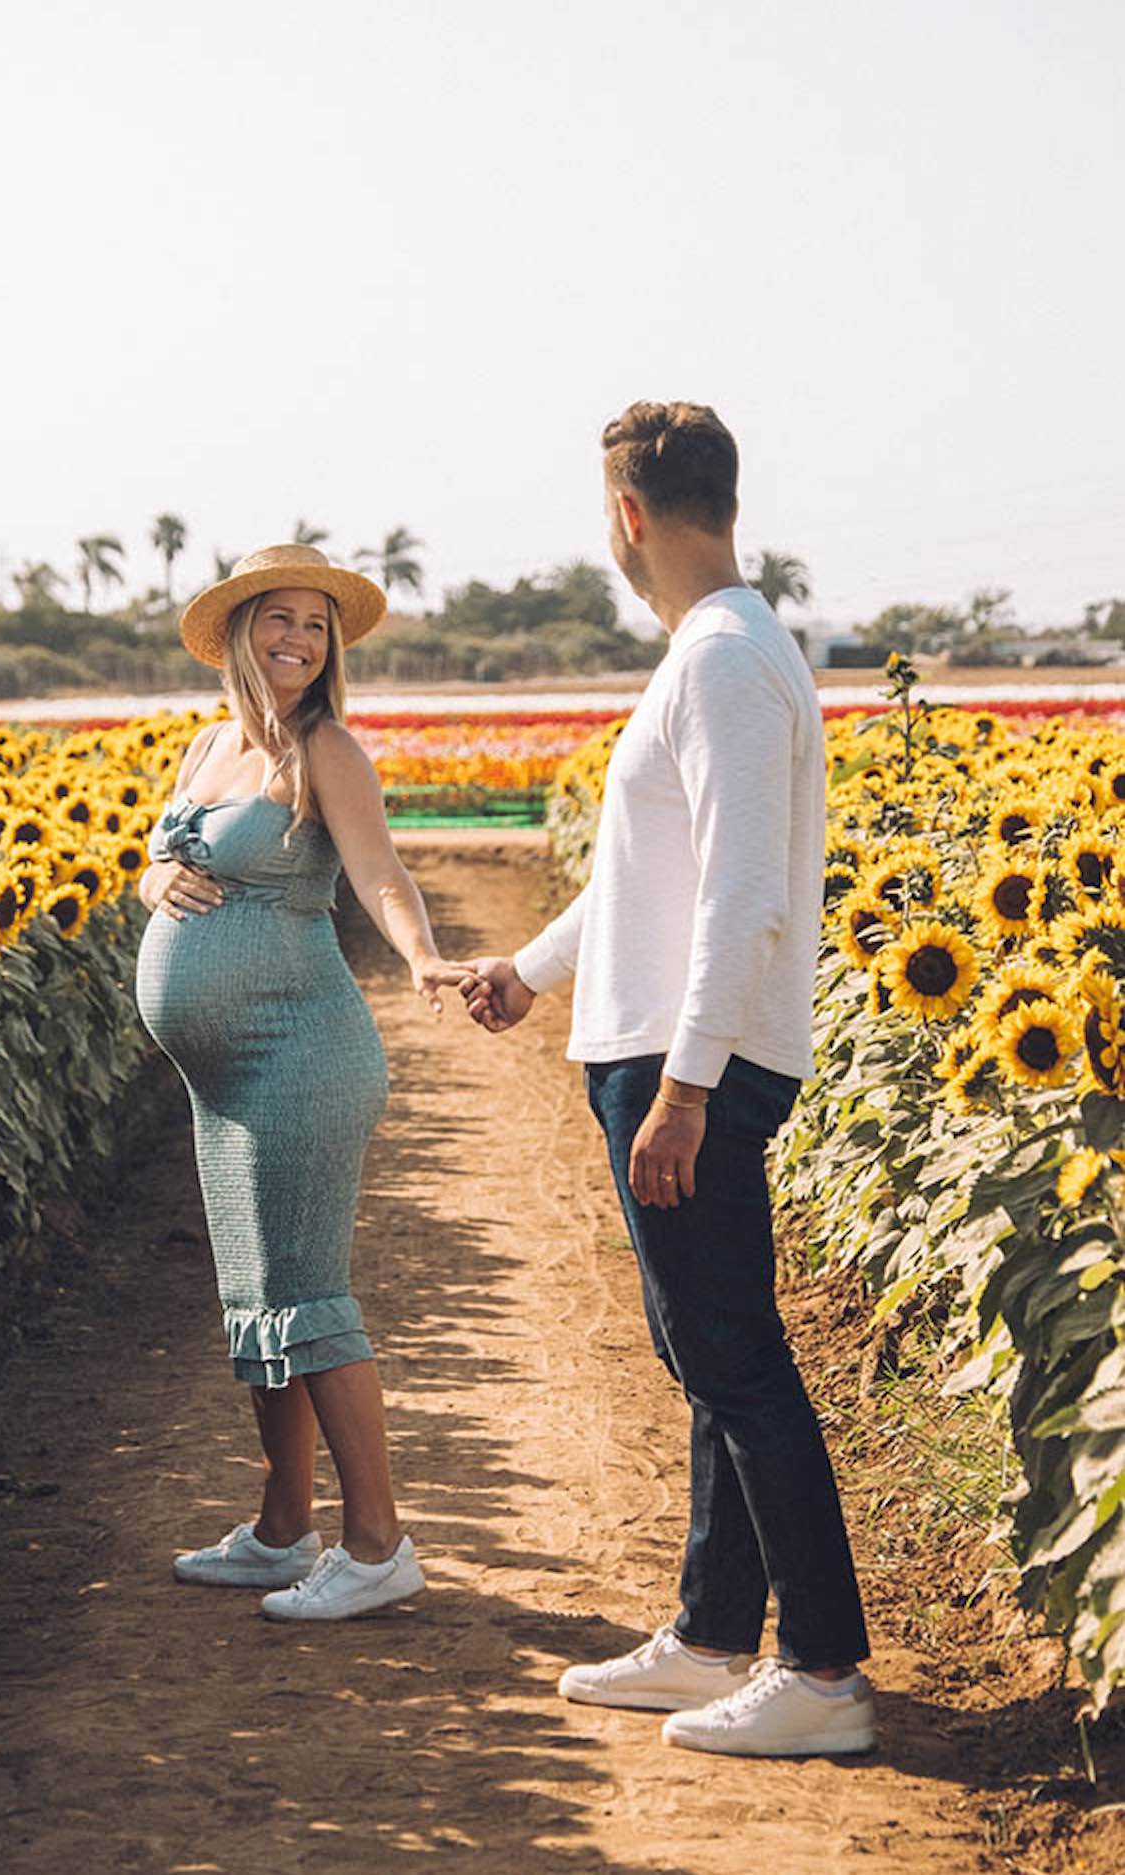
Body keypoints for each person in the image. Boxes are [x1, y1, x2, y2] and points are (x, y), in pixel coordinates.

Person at [463, 402, 875, 1757]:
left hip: (691, 1059)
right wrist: (528, 969)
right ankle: (711, 1635)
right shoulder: (723, 651)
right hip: (663, 1043)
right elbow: (654, 877)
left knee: (738, 1359)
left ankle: (823, 1671)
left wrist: (687, 1087)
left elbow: (749, 896)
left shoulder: (723, 662)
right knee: (705, 1352)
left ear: (629, 515)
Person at [134, 544, 470, 1621]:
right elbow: (155, 850)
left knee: (311, 1300)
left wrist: (421, 958)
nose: (298, 639)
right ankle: (285, 1528)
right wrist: (155, 872)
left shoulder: (325, 748)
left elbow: (379, 871)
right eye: (279, 618)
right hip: (223, 1080)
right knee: (260, 1304)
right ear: (239, 632)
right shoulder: (205, 746)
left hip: (301, 1052)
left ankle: (379, 1544)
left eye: (316, 625)